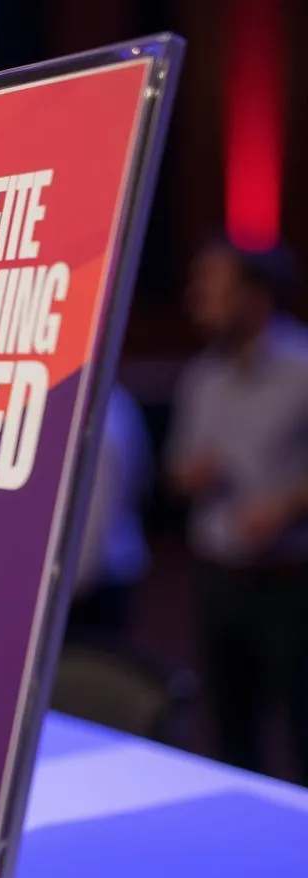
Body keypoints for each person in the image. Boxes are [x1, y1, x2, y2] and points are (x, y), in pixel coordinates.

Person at [168, 239, 308, 782]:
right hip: (218, 580)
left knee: (302, 732)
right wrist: (189, 477)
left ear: (255, 296)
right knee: (229, 736)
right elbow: (177, 470)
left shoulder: (301, 368)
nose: (195, 298)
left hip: (291, 585)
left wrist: (287, 505)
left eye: (211, 286)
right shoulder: (202, 376)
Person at [69, 384, 153, 645]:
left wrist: (72, 584)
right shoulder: (120, 400)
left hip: (92, 580)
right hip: (105, 569)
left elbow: (95, 507)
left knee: (89, 674)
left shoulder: (96, 416)